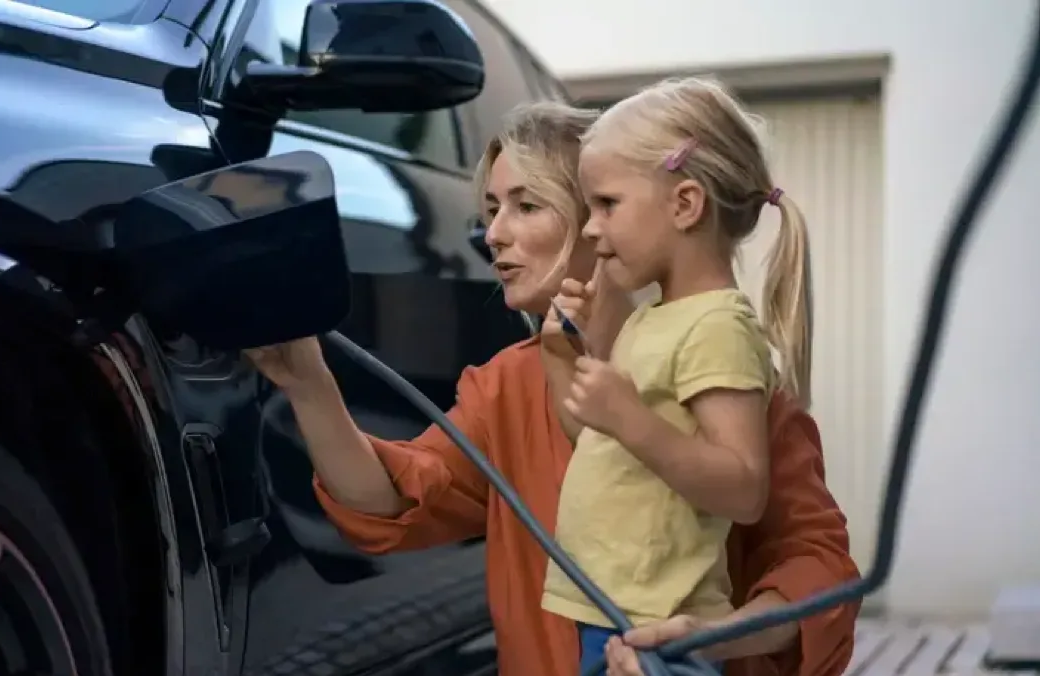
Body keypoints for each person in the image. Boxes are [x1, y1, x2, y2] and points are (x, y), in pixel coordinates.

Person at [245, 100, 859, 676]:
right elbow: (390, 500)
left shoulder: (724, 369)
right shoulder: (508, 383)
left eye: (526, 205)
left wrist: (710, 637)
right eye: (490, 211)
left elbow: (819, 570)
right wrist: (310, 386)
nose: (493, 235)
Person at [541, 77, 811, 675]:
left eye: (607, 204)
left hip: (658, 625)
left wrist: (633, 420)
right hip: (611, 611)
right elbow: (594, 441)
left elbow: (744, 489)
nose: (589, 228)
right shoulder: (654, 318)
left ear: (686, 204)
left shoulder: (718, 326)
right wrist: (565, 360)